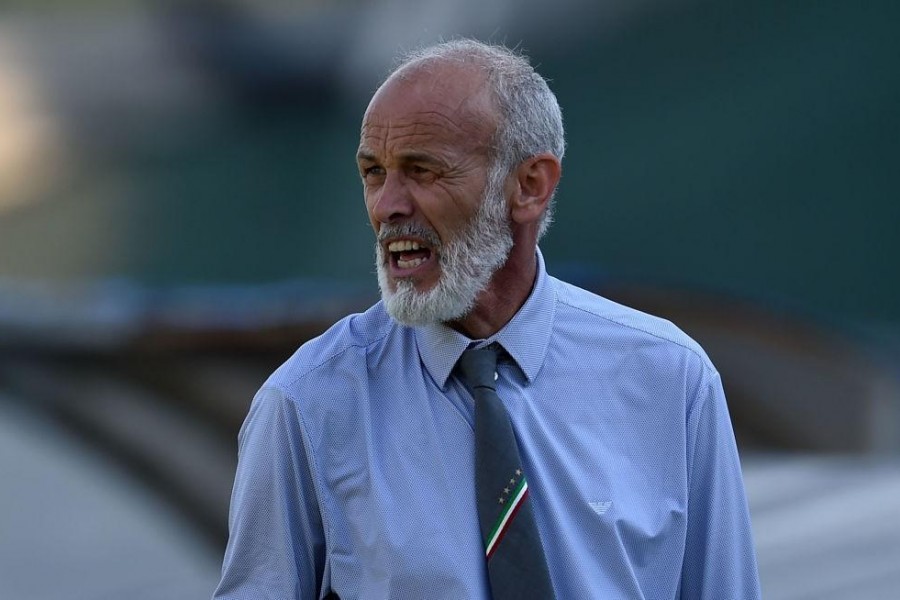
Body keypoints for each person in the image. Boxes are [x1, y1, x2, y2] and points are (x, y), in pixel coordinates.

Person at [213, 39, 760, 599]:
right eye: (374, 173)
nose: (387, 206)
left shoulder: (671, 379)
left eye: (422, 171)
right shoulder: (308, 403)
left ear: (529, 186)